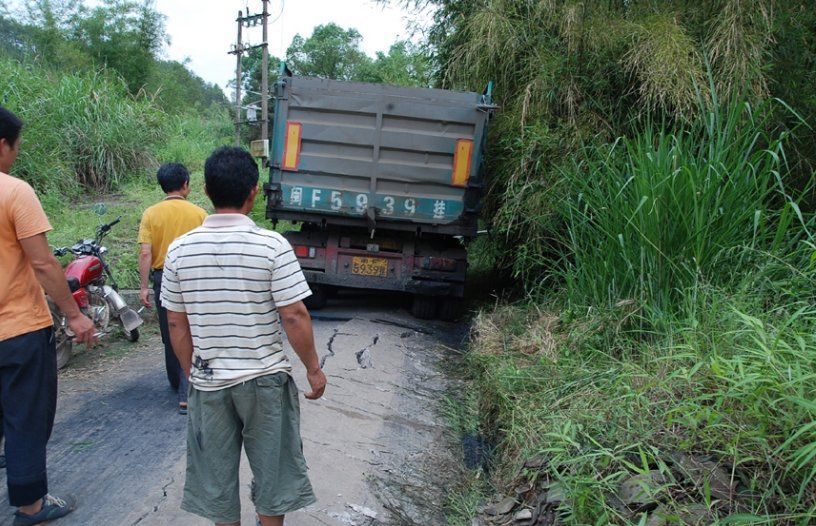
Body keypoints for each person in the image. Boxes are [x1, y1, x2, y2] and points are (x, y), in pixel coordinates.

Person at [162, 146, 327, 526]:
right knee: (273, 476)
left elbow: (176, 323)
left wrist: (193, 374)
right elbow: (294, 314)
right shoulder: (272, 245)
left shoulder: (180, 250)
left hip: (209, 383)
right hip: (264, 381)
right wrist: (314, 369)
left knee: (216, 480)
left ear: (205, 190)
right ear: (254, 191)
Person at [0, 106, 97, 525]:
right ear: (2, 145)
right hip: (18, 329)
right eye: (15, 148)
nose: (15, 156)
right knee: (25, 416)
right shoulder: (14, 191)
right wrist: (75, 316)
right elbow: (42, 264)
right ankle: (30, 506)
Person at [137, 163, 207, 414]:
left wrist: (144, 287)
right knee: (192, 327)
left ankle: (177, 381)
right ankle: (190, 384)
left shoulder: (151, 214)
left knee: (170, 330)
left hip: (163, 276)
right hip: (194, 277)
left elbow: (146, 253)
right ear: (186, 184)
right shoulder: (199, 214)